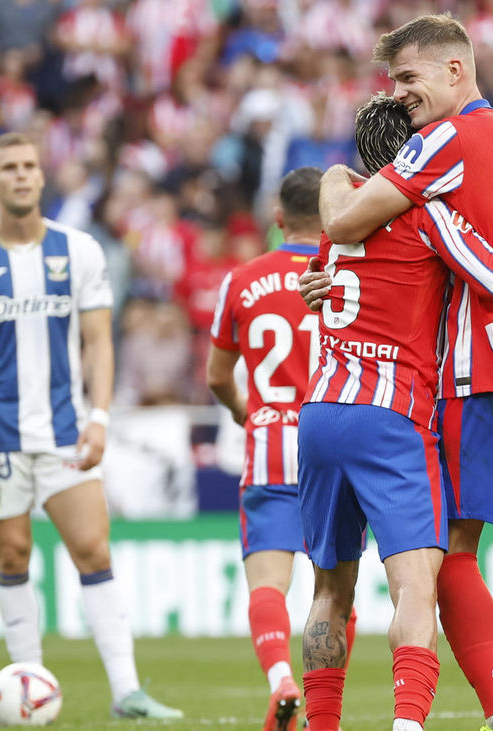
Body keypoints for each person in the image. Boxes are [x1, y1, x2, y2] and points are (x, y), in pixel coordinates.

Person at [311, 14, 493, 730]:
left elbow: (348, 222)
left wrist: (330, 188)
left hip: (488, 373)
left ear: (454, 69)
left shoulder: (443, 142)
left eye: (408, 78)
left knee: (455, 554)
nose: (401, 94)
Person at [0, 132, 182, 720]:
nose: (22, 176)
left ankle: (127, 691)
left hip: (67, 433)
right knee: (12, 556)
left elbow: (99, 343)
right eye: (10, 168)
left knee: (94, 549)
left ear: (41, 177)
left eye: (30, 166)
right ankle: (28, 682)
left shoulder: (80, 252)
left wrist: (100, 417)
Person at [205, 167, 357, 731]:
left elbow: (217, 375)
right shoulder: (349, 272)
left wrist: (248, 412)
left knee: (268, 582)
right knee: (336, 590)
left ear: (277, 218)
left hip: (270, 442)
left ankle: (280, 681)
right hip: (337, 441)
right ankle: (324, 711)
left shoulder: (242, 280)